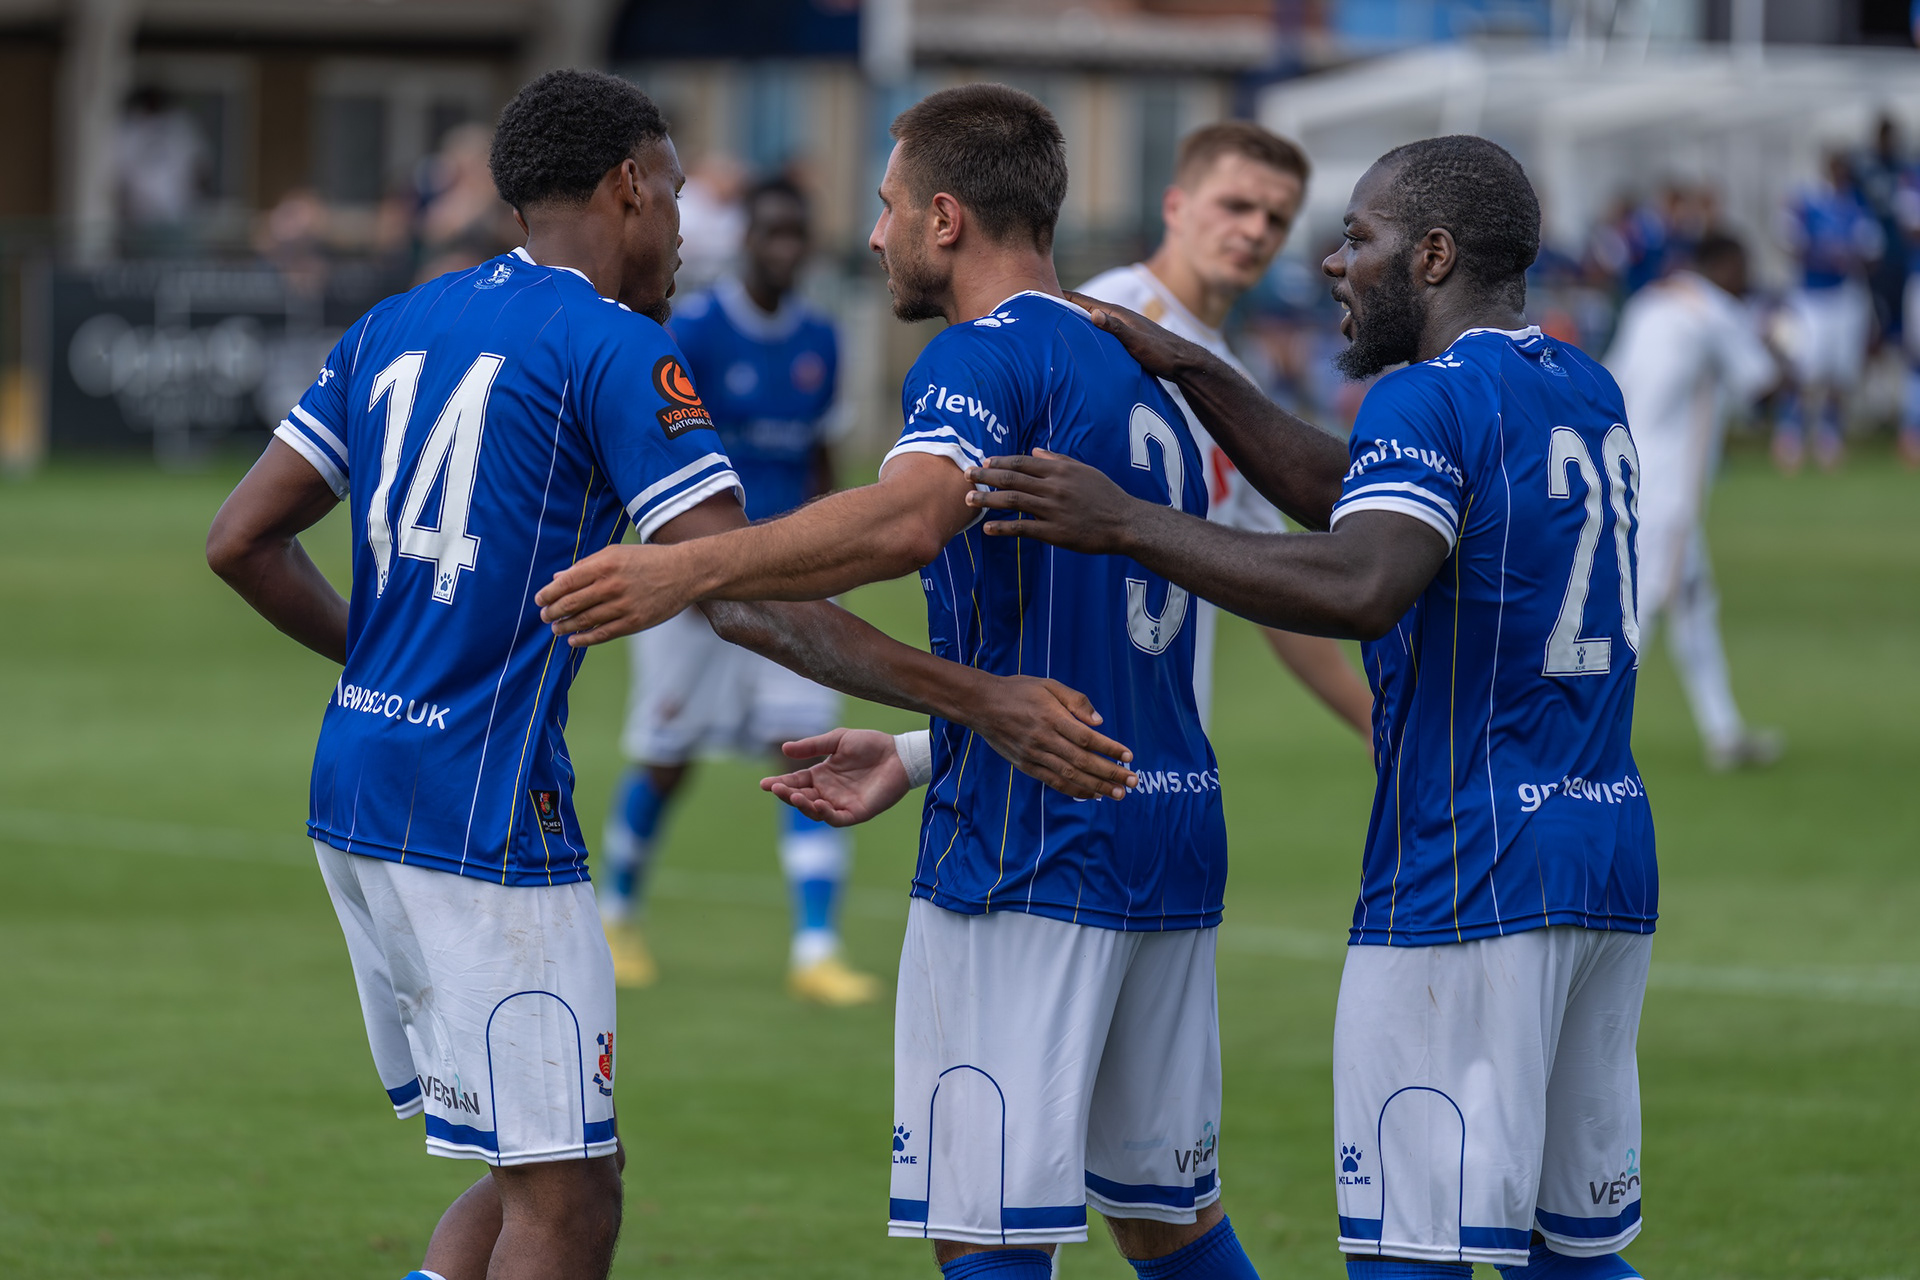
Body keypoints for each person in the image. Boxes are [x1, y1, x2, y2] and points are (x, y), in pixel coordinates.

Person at [203, 70, 1134, 1280]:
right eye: (682, 194)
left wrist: (384, 659)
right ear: (628, 186)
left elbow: (240, 538)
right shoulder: (615, 348)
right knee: (571, 1201)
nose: (692, 229)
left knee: (535, 1162)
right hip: (480, 815)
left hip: (356, 787)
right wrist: (975, 697)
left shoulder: (395, 320)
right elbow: (740, 593)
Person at [535, 83, 1265, 1280]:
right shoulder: (1141, 374)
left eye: (884, 208)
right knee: (1168, 1219)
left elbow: (913, 519)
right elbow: (1104, 644)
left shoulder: (982, 356)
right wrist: (928, 749)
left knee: (983, 1230)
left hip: (1031, 853)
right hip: (1166, 826)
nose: (869, 237)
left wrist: (689, 566)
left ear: (944, 216)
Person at [948, 135, 1657, 1279]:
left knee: (1407, 1251)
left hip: (1470, 868)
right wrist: (1200, 371)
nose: (1334, 262)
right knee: (1566, 1255)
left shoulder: (1424, 397)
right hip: (1604, 854)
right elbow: (1363, 498)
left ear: (1430, 255)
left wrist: (1126, 520)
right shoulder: (1577, 381)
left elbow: (1363, 579)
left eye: (1359, 237)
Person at [599, 175, 877, 1002]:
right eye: (772, 233)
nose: (786, 249)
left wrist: (827, 557)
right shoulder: (694, 332)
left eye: (799, 235)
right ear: (747, 239)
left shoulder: (823, 341)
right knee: (665, 758)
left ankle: (816, 949)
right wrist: (678, 565)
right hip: (691, 584)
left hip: (784, 582)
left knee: (807, 754)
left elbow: (822, 460)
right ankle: (616, 916)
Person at [1079, 122, 1372, 737]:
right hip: (1062, 737)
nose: (1255, 230)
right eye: (1236, 205)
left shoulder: (1232, 382)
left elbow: (1273, 583)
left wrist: (1374, 725)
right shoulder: (1098, 321)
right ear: (1176, 206)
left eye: (1276, 217)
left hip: (1170, 746)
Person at [1606, 230, 1784, 771]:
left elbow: (1612, 379)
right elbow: (1766, 386)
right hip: (1670, 494)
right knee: (1642, 613)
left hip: (1622, 473)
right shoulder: (1715, 315)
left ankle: (1725, 735)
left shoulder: (1649, 303)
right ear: (1723, 266)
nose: (1746, 281)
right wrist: (1780, 344)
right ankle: (1581, 737)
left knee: (1693, 608)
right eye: (1743, 268)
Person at [1776, 152, 1883, 472]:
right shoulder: (1806, 201)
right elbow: (1786, 241)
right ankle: (1790, 432)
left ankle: (1828, 435)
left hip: (1845, 297)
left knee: (1839, 371)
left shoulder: (1856, 205)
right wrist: (1817, 252)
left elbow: (1872, 251)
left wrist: (1850, 256)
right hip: (1811, 297)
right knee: (1805, 367)